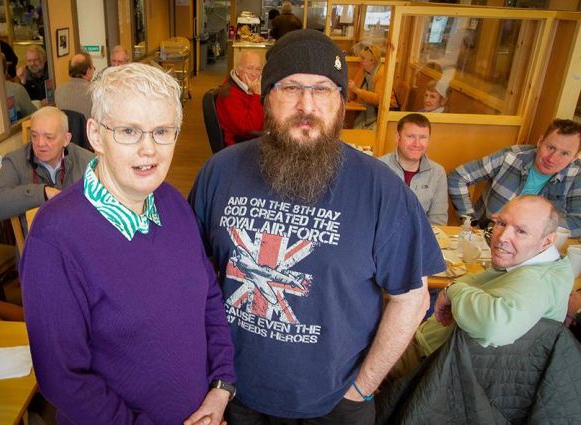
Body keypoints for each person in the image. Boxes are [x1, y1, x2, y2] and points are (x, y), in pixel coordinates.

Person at [189, 29, 444, 423]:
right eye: (290, 87)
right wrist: (215, 382)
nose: (306, 105)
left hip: (335, 403)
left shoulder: (382, 190)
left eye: (323, 90)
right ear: (266, 97)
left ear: (341, 101)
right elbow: (191, 278)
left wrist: (362, 388)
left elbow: (412, 299)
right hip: (235, 394)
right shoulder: (220, 171)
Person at [20, 63, 235, 424]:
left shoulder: (172, 203)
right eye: (129, 131)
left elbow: (209, 296)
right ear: (96, 135)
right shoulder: (54, 238)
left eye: (163, 131)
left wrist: (221, 385)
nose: (148, 149)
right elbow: (64, 379)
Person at [393, 195, 574, 377]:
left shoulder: (538, 281)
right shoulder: (542, 263)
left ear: (547, 241)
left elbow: (494, 326)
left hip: (432, 366)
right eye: (501, 223)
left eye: (521, 231)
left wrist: (453, 292)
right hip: (440, 354)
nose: (502, 237)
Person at [448, 118, 581, 236]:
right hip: (488, 236)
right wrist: (470, 222)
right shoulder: (510, 156)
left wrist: (524, 223)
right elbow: (458, 177)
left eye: (564, 154)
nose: (552, 159)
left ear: (575, 157)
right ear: (540, 141)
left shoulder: (577, 175)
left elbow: (578, 222)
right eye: (551, 147)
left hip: (536, 247)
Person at [0, 106, 93, 228]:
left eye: (49, 137)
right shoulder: (15, 161)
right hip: (35, 242)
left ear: (66, 139)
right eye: (34, 136)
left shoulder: (88, 161)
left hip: (77, 238)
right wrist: (43, 192)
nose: (40, 143)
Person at [379, 113, 447, 225]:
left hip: (421, 238)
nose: (417, 143)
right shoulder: (378, 167)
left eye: (423, 137)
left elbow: (438, 220)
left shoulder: (437, 172)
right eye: (410, 136)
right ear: (397, 137)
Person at [216, 51, 265, 146]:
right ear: (238, 70)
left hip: (251, 140)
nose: (254, 73)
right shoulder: (229, 94)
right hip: (239, 147)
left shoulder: (249, 88)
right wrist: (257, 96)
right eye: (249, 68)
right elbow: (250, 128)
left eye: (258, 69)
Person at [348, 44, 397, 129]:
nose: (360, 60)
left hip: (380, 115)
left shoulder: (382, 74)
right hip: (362, 111)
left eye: (363, 58)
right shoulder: (363, 70)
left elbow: (378, 99)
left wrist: (357, 90)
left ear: (372, 61)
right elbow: (353, 94)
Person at [55, 52, 95, 119]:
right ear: (88, 72)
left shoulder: (58, 90)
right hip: (87, 129)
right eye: (93, 68)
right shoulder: (95, 92)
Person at [2, 54, 37, 120]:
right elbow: (33, 115)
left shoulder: (16, 88)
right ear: (6, 68)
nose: (32, 63)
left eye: (35, 60)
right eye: (29, 61)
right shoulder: (16, 89)